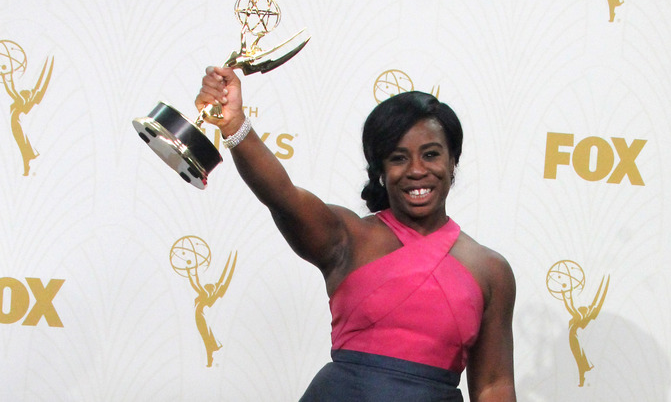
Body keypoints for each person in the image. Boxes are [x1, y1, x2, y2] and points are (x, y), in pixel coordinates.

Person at [195, 66, 517, 401]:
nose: (417, 170)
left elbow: (494, 384)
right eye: (398, 158)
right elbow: (282, 196)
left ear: (453, 162)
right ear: (381, 172)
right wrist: (234, 126)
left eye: (431, 154)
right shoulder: (347, 238)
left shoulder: (491, 271)